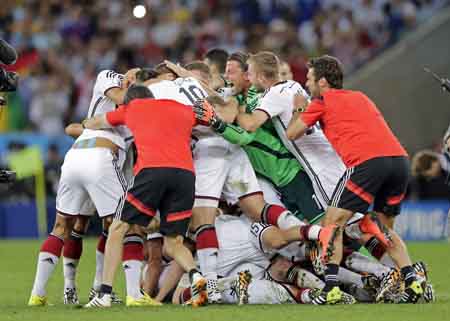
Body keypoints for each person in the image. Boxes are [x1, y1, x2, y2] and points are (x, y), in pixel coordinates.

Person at [286, 55, 424, 304]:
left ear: (323, 82)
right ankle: (413, 280)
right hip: (399, 161)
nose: (306, 85)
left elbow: (292, 133)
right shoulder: (361, 96)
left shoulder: (321, 101)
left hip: (367, 163)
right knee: (382, 229)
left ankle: (331, 287)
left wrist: (299, 107)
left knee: (332, 223)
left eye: (309, 79)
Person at [84, 85, 207, 308]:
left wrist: (84, 124)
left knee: (117, 228)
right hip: (185, 175)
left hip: (152, 170)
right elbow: (208, 117)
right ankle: (196, 275)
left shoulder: (133, 108)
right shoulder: (182, 108)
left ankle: (104, 294)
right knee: (173, 243)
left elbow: (97, 122)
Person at [28, 68, 138, 306]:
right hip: (99, 160)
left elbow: (74, 128)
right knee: (121, 225)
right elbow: (118, 100)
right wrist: (136, 86)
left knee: (65, 226)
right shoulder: (109, 77)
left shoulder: (138, 114)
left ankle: (38, 294)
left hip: (78, 159)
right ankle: (123, 293)